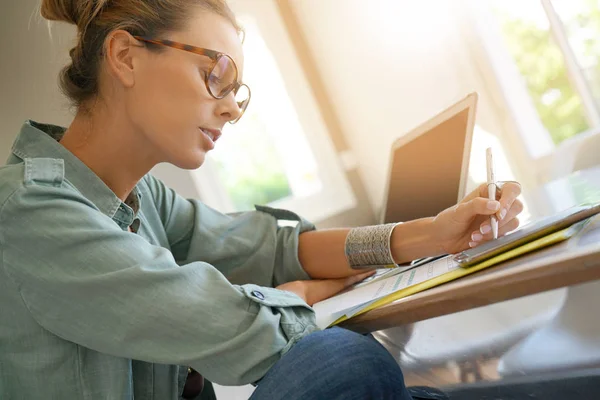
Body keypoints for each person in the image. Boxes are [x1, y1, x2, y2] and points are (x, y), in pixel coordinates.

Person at [0, 0, 523, 399]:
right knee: (346, 362)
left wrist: (430, 234)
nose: (230, 109)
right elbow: (237, 330)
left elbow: (273, 248)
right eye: (217, 77)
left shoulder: (144, 200)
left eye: (237, 93)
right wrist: (302, 293)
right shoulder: (31, 212)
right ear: (125, 56)